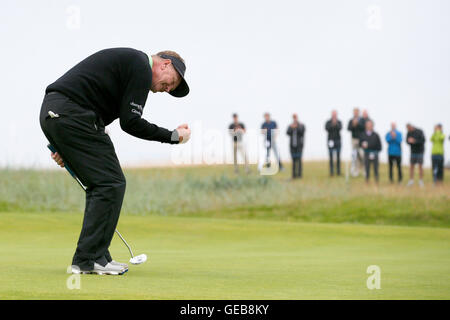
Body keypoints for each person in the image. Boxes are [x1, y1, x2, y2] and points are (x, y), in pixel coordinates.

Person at [39, 48, 191, 275]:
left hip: (61, 113)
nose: (167, 89)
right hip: (70, 113)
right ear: (165, 64)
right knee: (110, 183)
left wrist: (66, 146)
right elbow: (130, 122)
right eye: (172, 83)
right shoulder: (141, 65)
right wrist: (172, 136)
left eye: (171, 89)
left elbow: (101, 108)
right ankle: (88, 259)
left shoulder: (131, 66)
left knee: (103, 183)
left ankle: (96, 256)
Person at [287, 114, 305, 179]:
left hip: (299, 146)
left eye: (295, 117)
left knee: (299, 160)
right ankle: (294, 175)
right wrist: (292, 128)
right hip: (292, 146)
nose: (294, 119)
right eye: (293, 118)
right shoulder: (290, 125)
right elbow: (287, 133)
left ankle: (299, 175)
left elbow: (302, 132)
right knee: (294, 160)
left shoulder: (301, 125)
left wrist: (296, 127)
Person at [347, 107, 365, 177]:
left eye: (356, 112)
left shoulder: (362, 120)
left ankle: (364, 170)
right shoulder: (351, 120)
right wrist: (353, 124)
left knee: (362, 155)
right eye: (354, 112)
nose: (355, 113)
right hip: (354, 140)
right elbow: (348, 128)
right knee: (355, 156)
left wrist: (357, 123)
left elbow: (363, 128)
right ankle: (356, 170)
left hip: (361, 140)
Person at [325, 110, 342, 176]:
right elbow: (326, 128)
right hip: (330, 141)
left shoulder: (339, 122)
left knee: (338, 157)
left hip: (338, 141)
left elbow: (340, 128)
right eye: (333, 114)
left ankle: (338, 172)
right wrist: (332, 124)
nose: (334, 115)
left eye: (335, 114)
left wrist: (336, 124)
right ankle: (331, 172)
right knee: (331, 157)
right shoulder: (328, 122)